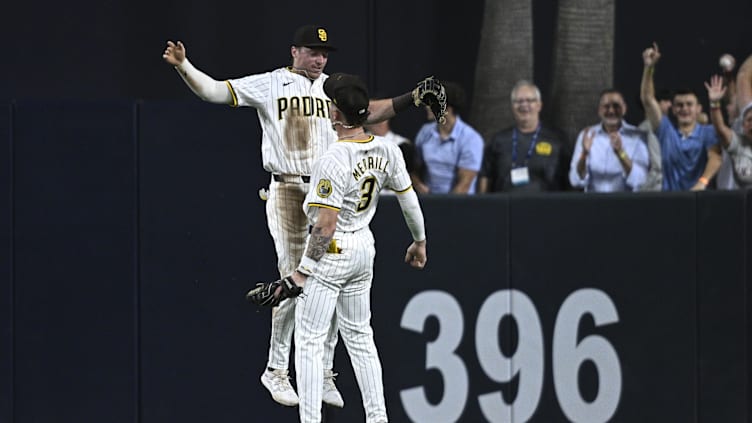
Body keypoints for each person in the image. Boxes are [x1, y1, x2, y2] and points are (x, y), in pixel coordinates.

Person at [162, 24, 424, 408]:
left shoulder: (331, 88)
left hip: (327, 192)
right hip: (287, 187)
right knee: (295, 275)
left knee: (325, 276)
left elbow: (369, 110)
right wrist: (185, 67)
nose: (320, 59)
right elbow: (216, 91)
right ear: (294, 51)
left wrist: (411, 98)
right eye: (312, 51)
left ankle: (323, 372)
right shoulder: (271, 83)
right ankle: (276, 369)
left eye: (325, 53)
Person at [289, 72, 427, 423]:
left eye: (331, 103)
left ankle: (310, 420)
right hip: (364, 247)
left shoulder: (333, 158)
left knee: (309, 340)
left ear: (336, 114)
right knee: (361, 338)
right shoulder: (387, 149)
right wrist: (419, 241)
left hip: (332, 250)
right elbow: (409, 201)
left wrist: (303, 270)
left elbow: (325, 225)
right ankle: (378, 418)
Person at [640, 42, 722, 191]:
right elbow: (647, 99)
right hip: (671, 202)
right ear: (674, 110)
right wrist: (649, 67)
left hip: (701, 202)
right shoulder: (666, 131)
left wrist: (701, 183)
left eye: (689, 104)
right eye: (679, 105)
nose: (684, 108)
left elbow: (715, 158)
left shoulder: (708, 132)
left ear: (698, 109)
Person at [478, 80, 569, 192]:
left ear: (539, 105)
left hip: (546, 206)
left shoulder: (557, 140)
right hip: (504, 206)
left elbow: (569, 180)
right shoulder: (498, 140)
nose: (524, 105)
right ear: (512, 107)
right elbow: (486, 176)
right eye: (518, 101)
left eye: (529, 100)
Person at [569, 89, 650, 192]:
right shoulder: (587, 135)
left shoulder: (637, 136)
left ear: (624, 109)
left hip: (625, 204)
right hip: (593, 204)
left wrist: (621, 153)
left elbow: (641, 180)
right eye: (606, 106)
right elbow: (575, 180)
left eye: (616, 106)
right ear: (599, 110)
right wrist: (584, 154)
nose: (611, 111)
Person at [412, 81, 484, 194]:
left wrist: (446, 207)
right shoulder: (424, 133)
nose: (426, 107)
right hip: (427, 201)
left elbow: (464, 185)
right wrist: (420, 187)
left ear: (447, 108)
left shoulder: (471, 139)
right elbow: (414, 169)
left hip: (458, 204)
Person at [704, 57, 752, 188]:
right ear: (743, 124)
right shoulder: (738, 142)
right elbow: (719, 127)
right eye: (748, 120)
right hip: (733, 199)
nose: (751, 124)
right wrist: (714, 103)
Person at [636, 89, 669, 191]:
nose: (669, 104)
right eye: (665, 101)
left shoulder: (669, 127)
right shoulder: (645, 130)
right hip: (654, 187)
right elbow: (656, 165)